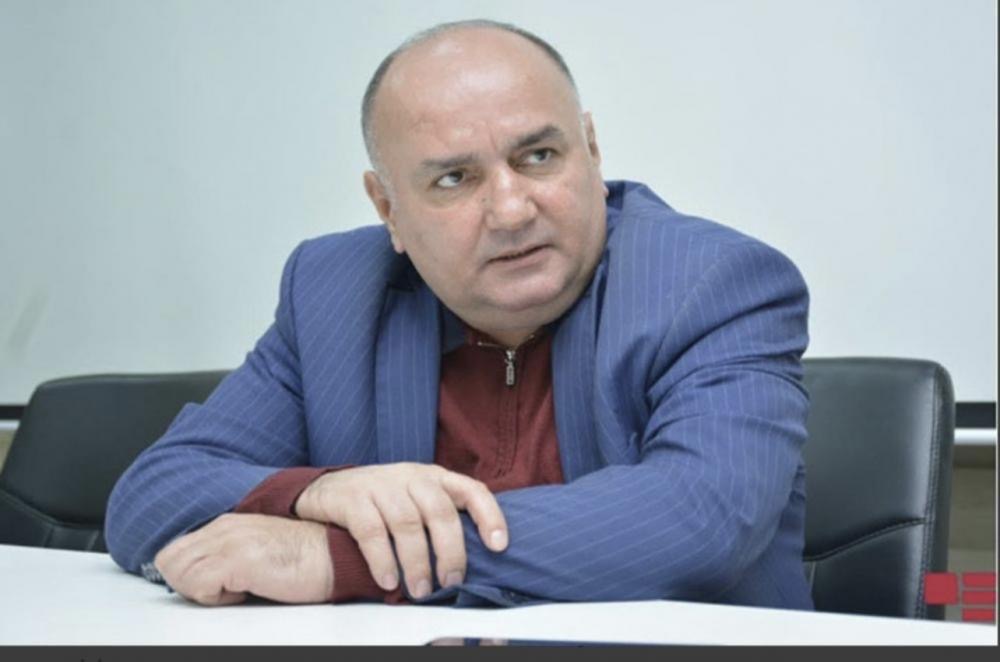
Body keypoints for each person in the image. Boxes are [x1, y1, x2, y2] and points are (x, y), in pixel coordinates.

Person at [105, 19, 814, 610]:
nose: (511, 210)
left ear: (592, 153)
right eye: (454, 178)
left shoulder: (713, 284)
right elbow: (153, 494)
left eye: (538, 156)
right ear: (388, 208)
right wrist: (318, 494)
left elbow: (697, 518)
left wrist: (337, 556)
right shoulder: (334, 293)